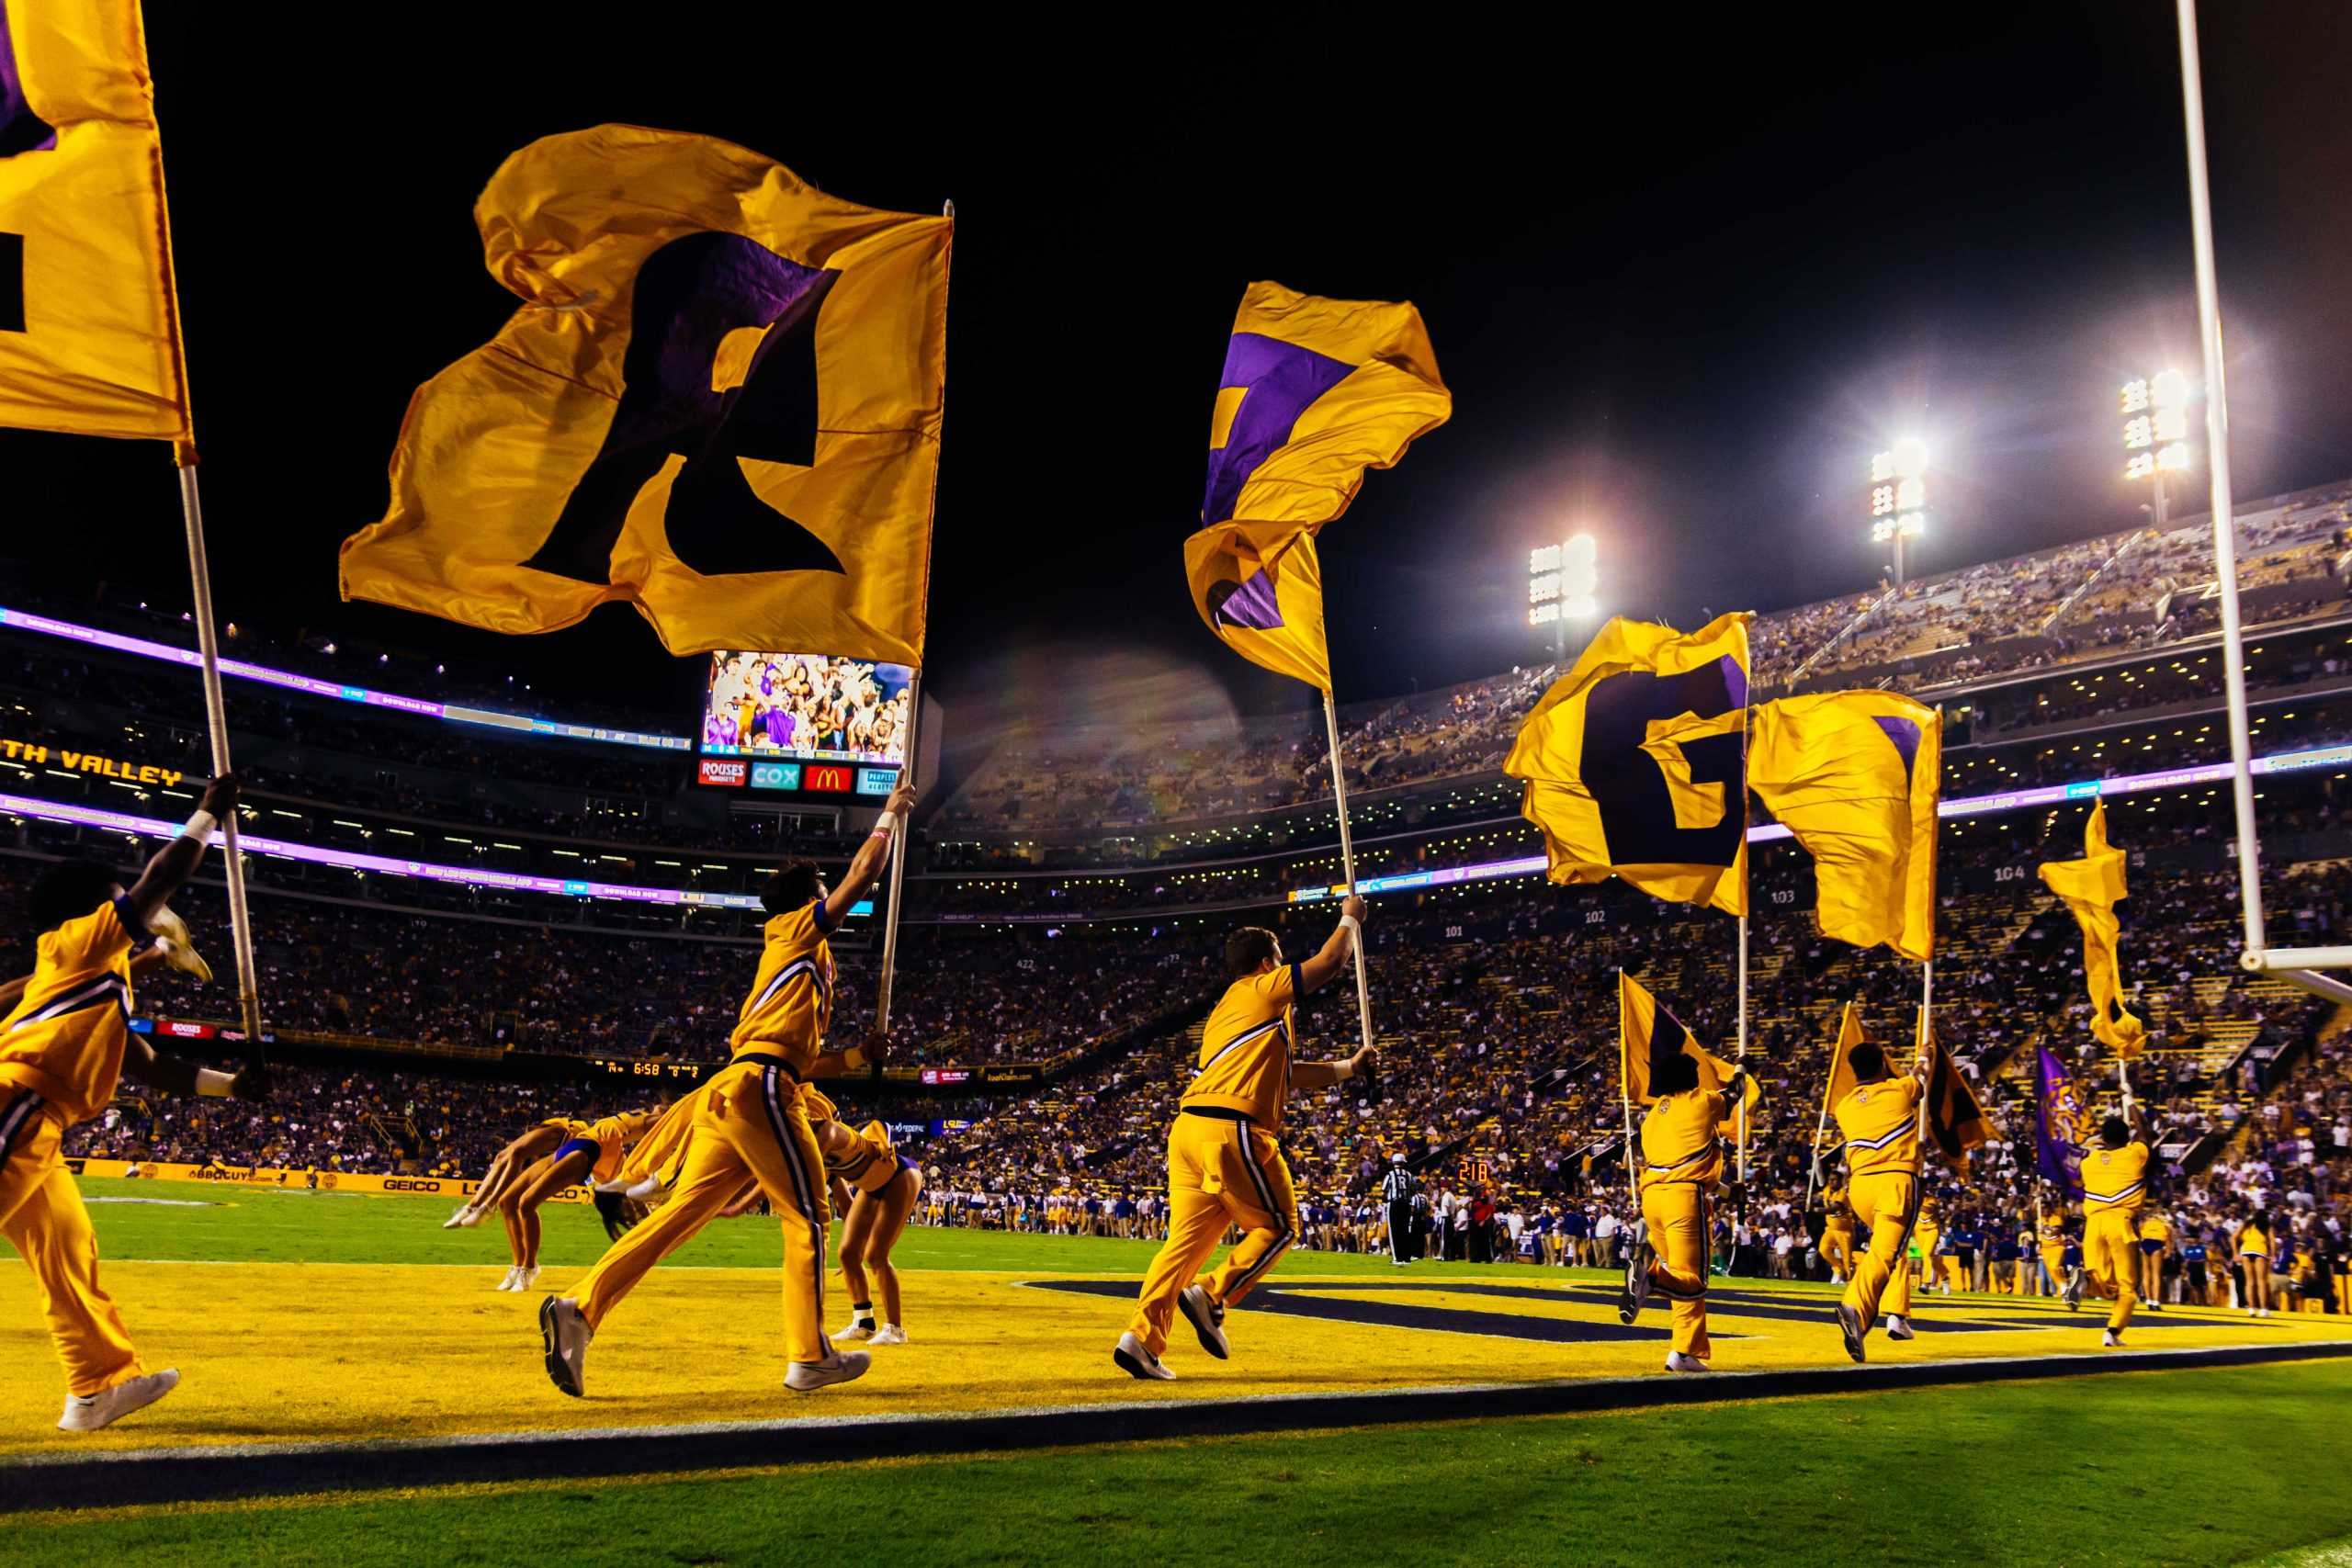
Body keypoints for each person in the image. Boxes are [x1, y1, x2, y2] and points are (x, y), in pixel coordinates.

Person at [538, 784, 918, 1398]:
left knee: (681, 1216)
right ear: (809, 899)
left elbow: (807, 1059)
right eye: (822, 892)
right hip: (762, 1087)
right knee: (810, 1216)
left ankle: (580, 1308)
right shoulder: (796, 927)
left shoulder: (807, 963)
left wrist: (857, 1056)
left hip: (743, 1087)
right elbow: (863, 873)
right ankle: (810, 1354)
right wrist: (891, 815)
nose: (829, 897)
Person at [1, 773, 266, 1432]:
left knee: (68, 1253)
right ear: (95, 910)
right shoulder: (75, 941)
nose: (130, 902)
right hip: (16, 1103)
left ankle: (96, 1386)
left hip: (44, 1126)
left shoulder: (99, 975)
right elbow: (159, 879)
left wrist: (232, 1086)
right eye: (116, 900)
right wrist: (206, 815)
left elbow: (153, 1068)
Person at [1114, 897, 1374, 1380]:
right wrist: (1349, 920)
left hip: (1189, 1129)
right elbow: (1328, 963)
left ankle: (1141, 1339)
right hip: (1233, 1128)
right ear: (1266, 962)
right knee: (1280, 1226)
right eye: (1279, 955)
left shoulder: (1225, 1014)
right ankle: (1213, 1294)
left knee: (1182, 1247)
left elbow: (1286, 1073)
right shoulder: (1263, 987)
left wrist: (1348, 1069)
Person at [1618, 1051, 1757, 1373]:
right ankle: (1649, 1279)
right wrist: (1742, 1066)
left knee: (1680, 1276)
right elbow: (1736, 1093)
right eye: (1695, 1071)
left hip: (1653, 1199)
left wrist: (1726, 1191)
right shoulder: (1700, 1101)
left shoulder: (1652, 1117)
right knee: (1694, 1281)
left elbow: (1681, 1163)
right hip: (1683, 1199)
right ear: (1688, 1077)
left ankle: (1684, 1351)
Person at [1829, 1032, 1928, 1361]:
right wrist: (1924, 1056)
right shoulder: (1899, 1090)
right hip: (1895, 1182)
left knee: (1892, 1251)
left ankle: (1897, 1316)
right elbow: (1920, 1081)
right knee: (1884, 1253)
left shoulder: (1843, 1107)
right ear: (1884, 1063)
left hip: (1860, 1188)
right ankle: (1855, 1309)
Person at [492, 1108, 662, 1292]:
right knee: (507, 1201)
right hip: (584, 1161)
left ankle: (528, 1267)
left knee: (526, 1203)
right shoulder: (574, 1132)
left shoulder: (609, 1131)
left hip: (608, 1176)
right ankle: (519, 1267)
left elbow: (653, 1124)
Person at [806, 1089, 923, 1346]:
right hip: (871, 1186)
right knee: (848, 1253)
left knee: (876, 1255)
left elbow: (878, 1127)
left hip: (899, 1175)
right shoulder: (821, 1160)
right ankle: (864, 1322)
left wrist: (884, 1144)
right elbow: (846, 1204)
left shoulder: (837, 1134)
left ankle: (895, 1329)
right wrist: (854, 1238)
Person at [2079, 1104, 2151, 1347]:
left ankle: (2086, 1283)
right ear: (2126, 1137)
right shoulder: (2134, 1156)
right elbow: (2145, 1135)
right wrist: (2132, 1107)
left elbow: (2095, 1148)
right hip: (2120, 1221)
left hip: (2093, 1223)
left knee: (2101, 1279)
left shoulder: (2088, 1162)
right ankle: (2112, 1331)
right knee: (2127, 1285)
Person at [1381, 1153, 1417, 1267]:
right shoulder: (1409, 1175)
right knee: (1405, 1231)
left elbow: (1384, 1191)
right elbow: (1413, 1190)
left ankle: (1397, 1258)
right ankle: (1406, 1258)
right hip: (1406, 1204)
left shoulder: (1390, 1175)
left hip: (1394, 1204)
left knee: (1394, 1231)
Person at [2238, 1210, 2274, 1318]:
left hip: (2246, 1251)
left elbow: (2234, 1237)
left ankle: (2251, 1309)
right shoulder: (2266, 1225)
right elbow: (2272, 1240)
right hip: (2259, 1251)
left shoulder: (2246, 1224)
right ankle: (2263, 1309)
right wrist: (2273, 1254)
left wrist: (2235, 1253)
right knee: (2261, 1281)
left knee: (2249, 1282)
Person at [1819, 1180, 1856, 1283]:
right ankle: (1838, 1269)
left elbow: (1833, 1209)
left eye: (1835, 1180)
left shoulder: (1842, 1194)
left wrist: (1816, 1209)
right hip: (1831, 1228)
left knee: (1847, 1258)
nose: (1831, 1182)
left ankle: (1849, 1280)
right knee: (1823, 1250)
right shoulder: (1826, 1190)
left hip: (1843, 1229)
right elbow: (1820, 1178)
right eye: (1830, 1179)